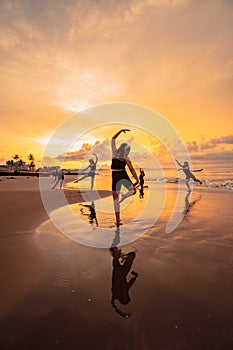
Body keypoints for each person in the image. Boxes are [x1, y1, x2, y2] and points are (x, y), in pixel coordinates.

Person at [111, 129, 139, 226]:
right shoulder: (114, 153)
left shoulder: (127, 158)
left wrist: (137, 179)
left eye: (129, 151)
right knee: (115, 200)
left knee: (133, 191)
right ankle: (118, 220)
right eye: (128, 150)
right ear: (123, 149)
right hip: (115, 177)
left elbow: (131, 169)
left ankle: (124, 196)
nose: (128, 152)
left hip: (123, 175)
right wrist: (120, 131)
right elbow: (113, 139)